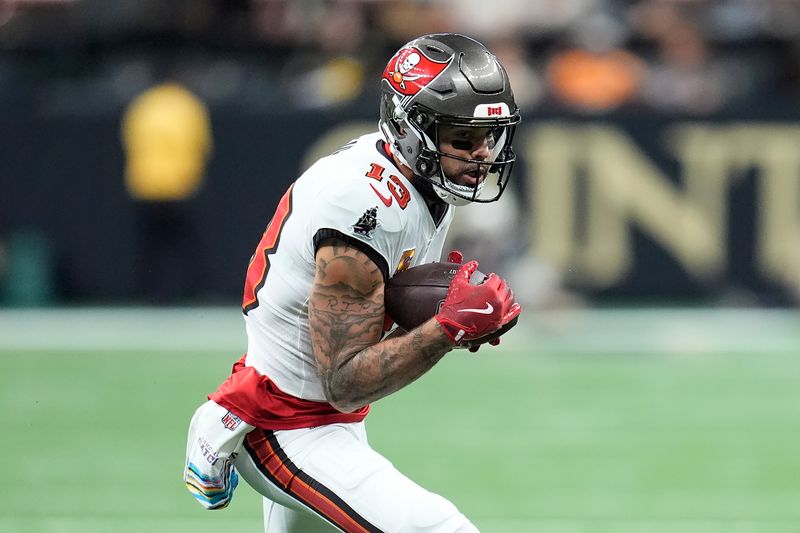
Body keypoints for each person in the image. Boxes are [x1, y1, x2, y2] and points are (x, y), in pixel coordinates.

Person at [184, 33, 522, 532]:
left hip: (328, 420)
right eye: (464, 140)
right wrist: (448, 326)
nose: (482, 155)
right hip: (288, 424)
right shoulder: (364, 206)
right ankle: (223, 418)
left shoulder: (414, 177)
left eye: (488, 138)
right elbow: (344, 381)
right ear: (413, 131)